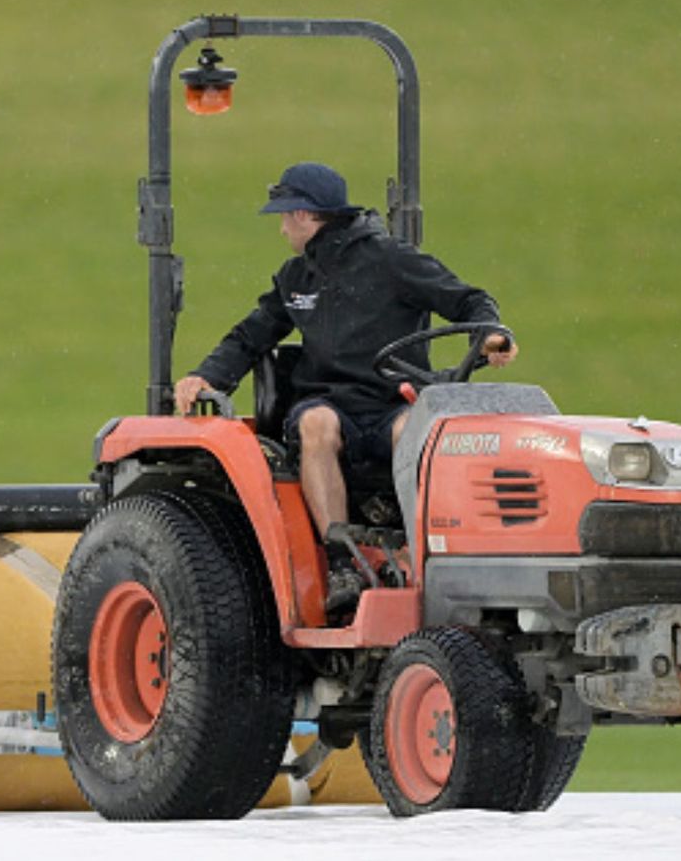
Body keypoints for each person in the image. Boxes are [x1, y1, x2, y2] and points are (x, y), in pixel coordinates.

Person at [173, 162, 516, 610]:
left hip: (393, 402)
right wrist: (207, 376)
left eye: (283, 217)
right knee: (316, 424)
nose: (281, 230)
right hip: (330, 405)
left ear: (303, 215)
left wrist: (489, 332)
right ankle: (340, 563)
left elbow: (469, 300)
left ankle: (425, 557)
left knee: (417, 432)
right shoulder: (296, 278)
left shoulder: (393, 260)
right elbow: (252, 335)